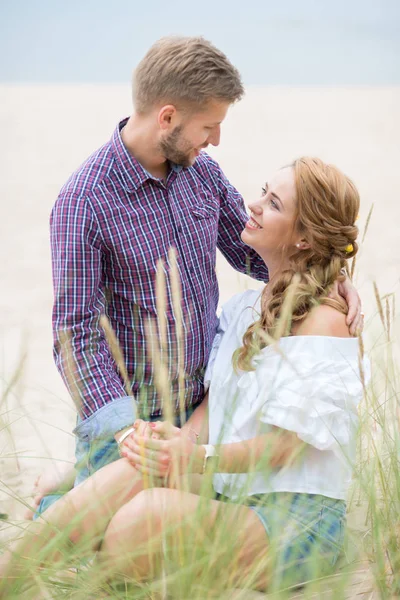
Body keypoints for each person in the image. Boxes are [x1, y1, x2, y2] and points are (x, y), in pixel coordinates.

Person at [30, 35, 362, 519]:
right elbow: (73, 334)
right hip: (132, 420)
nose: (216, 140)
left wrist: (329, 279)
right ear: (168, 118)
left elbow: (258, 250)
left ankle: (74, 482)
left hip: (202, 418)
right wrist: (127, 433)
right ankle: (75, 481)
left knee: (166, 540)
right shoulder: (84, 202)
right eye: (210, 126)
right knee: (110, 562)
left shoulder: (201, 173)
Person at [1, 157, 369, 594]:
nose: (251, 206)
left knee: (140, 519)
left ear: (305, 238)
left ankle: (58, 518)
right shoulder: (242, 312)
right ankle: (12, 574)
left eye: (272, 203)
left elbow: (285, 448)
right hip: (232, 499)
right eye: (263, 191)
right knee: (140, 467)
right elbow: (210, 414)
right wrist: (171, 447)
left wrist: (194, 460)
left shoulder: (324, 322)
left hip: (295, 521)